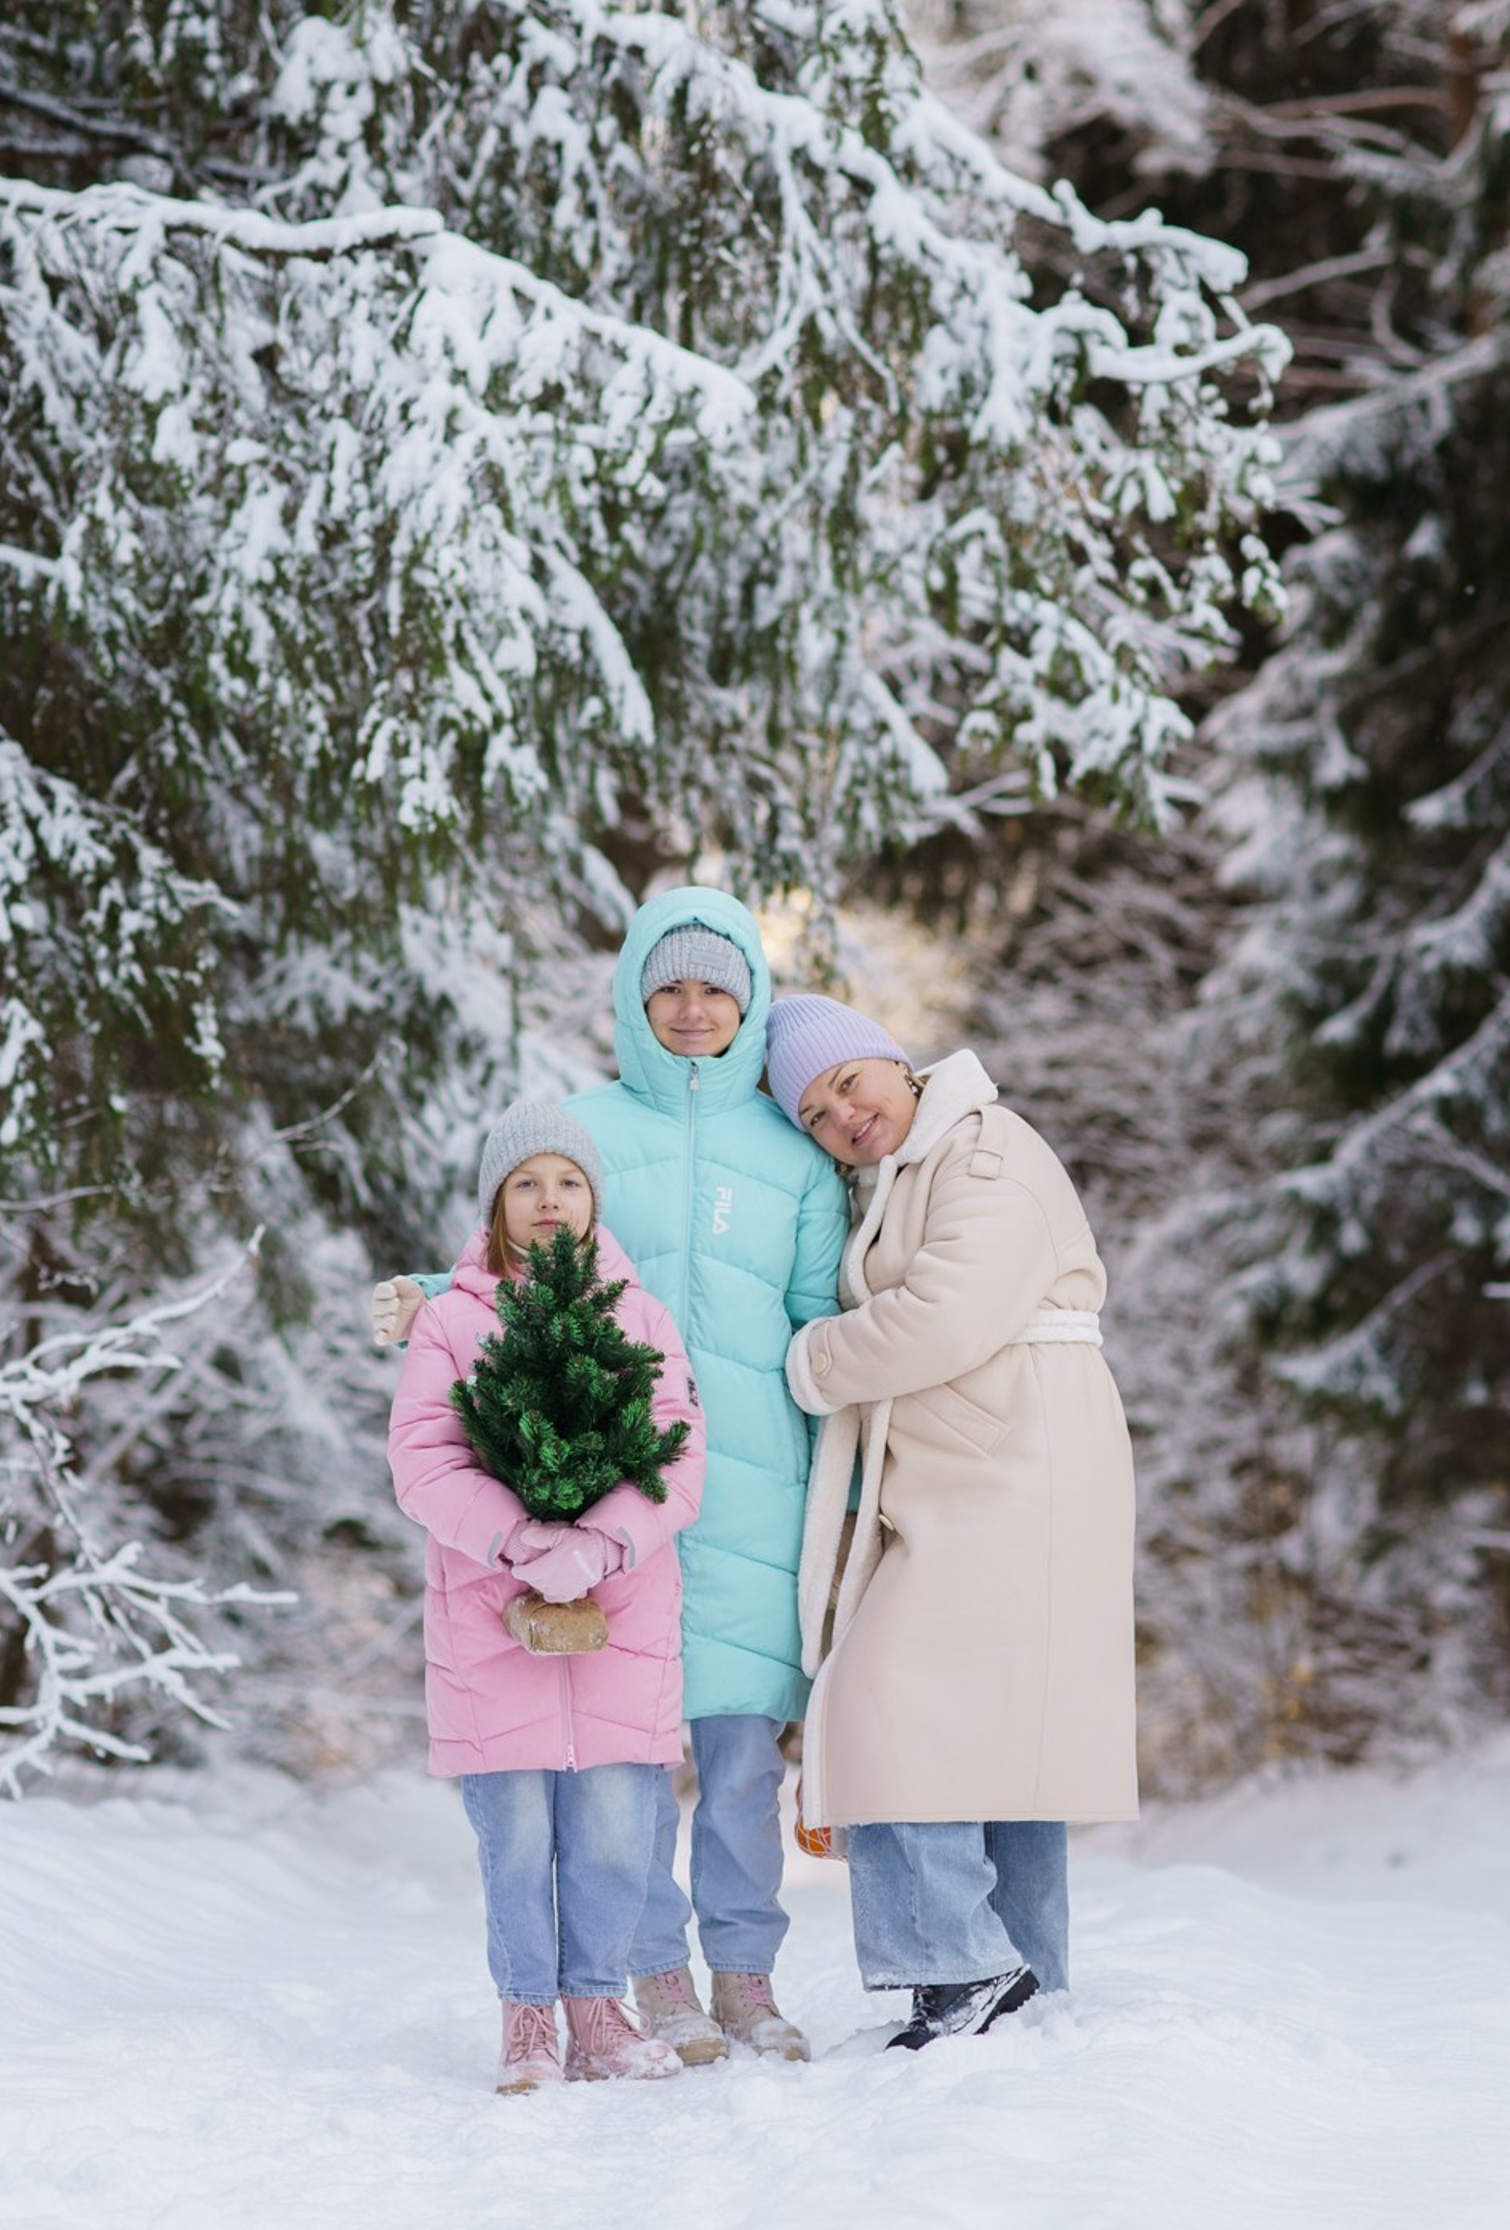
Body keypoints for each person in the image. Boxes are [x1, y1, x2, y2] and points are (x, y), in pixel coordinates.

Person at [372, 890, 844, 2062]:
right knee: (619, 1759)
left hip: (745, 1492)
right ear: (634, 996)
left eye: (716, 987)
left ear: (750, 1000)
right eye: (668, 986)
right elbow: (510, 1264)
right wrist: (424, 1299)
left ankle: (744, 1978)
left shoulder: (792, 1151)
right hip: (580, 1501)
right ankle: (646, 1982)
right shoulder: (577, 1126)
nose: (692, 1009)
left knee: (737, 1757)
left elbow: (825, 1318)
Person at [764, 995, 1139, 2051]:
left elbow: (948, 1313)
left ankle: (959, 1963)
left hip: (1018, 1455)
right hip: (975, 1461)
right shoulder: (908, 1167)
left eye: (848, 1081)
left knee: (887, 1698)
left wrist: (810, 1363)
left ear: (896, 1060)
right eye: (814, 1111)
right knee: (993, 1725)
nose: (842, 1113)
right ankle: (1026, 1974)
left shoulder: (985, 1149)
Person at [389, 1102, 706, 2094]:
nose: (547, 1200)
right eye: (524, 1183)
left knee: (617, 1831)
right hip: (492, 1619)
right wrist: (522, 1540)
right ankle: (527, 2015)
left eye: (566, 1181)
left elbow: (679, 1454)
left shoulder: (639, 1315)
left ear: (594, 1200)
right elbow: (424, 1461)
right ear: (494, 1205)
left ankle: (598, 2012)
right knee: (516, 1836)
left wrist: (601, 1542)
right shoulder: (450, 1321)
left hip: (621, 1617)